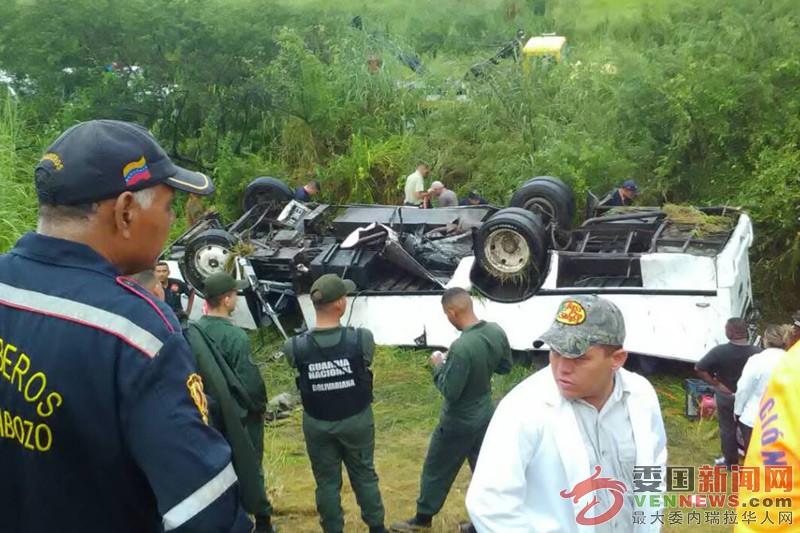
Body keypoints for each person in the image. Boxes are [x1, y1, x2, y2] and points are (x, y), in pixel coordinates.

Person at [0, 119, 252, 532]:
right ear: (126, 211)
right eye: (169, 206)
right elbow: (206, 515)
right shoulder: (137, 333)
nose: (171, 220)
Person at [466, 295, 667, 532]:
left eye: (579, 358)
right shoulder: (523, 407)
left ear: (617, 359)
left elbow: (653, 468)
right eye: (556, 352)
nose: (562, 368)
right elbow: (489, 504)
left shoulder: (641, 395)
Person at [392, 287, 513, 532]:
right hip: (486, 413)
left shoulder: (461, 346)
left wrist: (438, 366)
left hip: (459, 420)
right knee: (484, 472)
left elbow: (450, 390)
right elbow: (505, 367)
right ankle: (484, 523)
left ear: (451, 312)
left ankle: (422, 519)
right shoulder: (495, 331)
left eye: (446, 315)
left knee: (437, 468)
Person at [284, 274, 387, 533]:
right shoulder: (361, 338)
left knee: (326, 483)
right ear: (340, 304)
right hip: (357, 418)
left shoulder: (294, 346)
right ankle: (376, 527)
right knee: (364, 475)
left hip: (317, 422)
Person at [186, 272, 276, 533]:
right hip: (241, 415)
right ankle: (262, 520)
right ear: (226, 299)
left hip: (210, 414)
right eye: (235, 294)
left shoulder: (195, 331)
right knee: (249, 463)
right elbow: (250, 382)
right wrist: (259, 406)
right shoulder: (235, 336)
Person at [735, 341, 800, 531]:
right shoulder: (788, 361)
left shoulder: (788, 363)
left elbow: (744, 388)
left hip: (760, 418)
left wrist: (737, 411)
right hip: (773, 421)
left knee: (753, 461)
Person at [695, 317, 760, 469]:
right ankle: (753, 463)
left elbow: (699, 368)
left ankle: (730, 463)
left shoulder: (720, 351)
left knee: (727, 428)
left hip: (727, 395)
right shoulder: (757, 352)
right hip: (750, 398)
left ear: (730, 332)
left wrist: (716, 383)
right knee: (749, 429)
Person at [734, 325, 791, 453]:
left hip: (753, 417)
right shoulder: (793, 362)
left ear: (765, 340)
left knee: (753, 457)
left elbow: (743, 388)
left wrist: (737, 410)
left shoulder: (757, 360)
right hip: (783, 421)